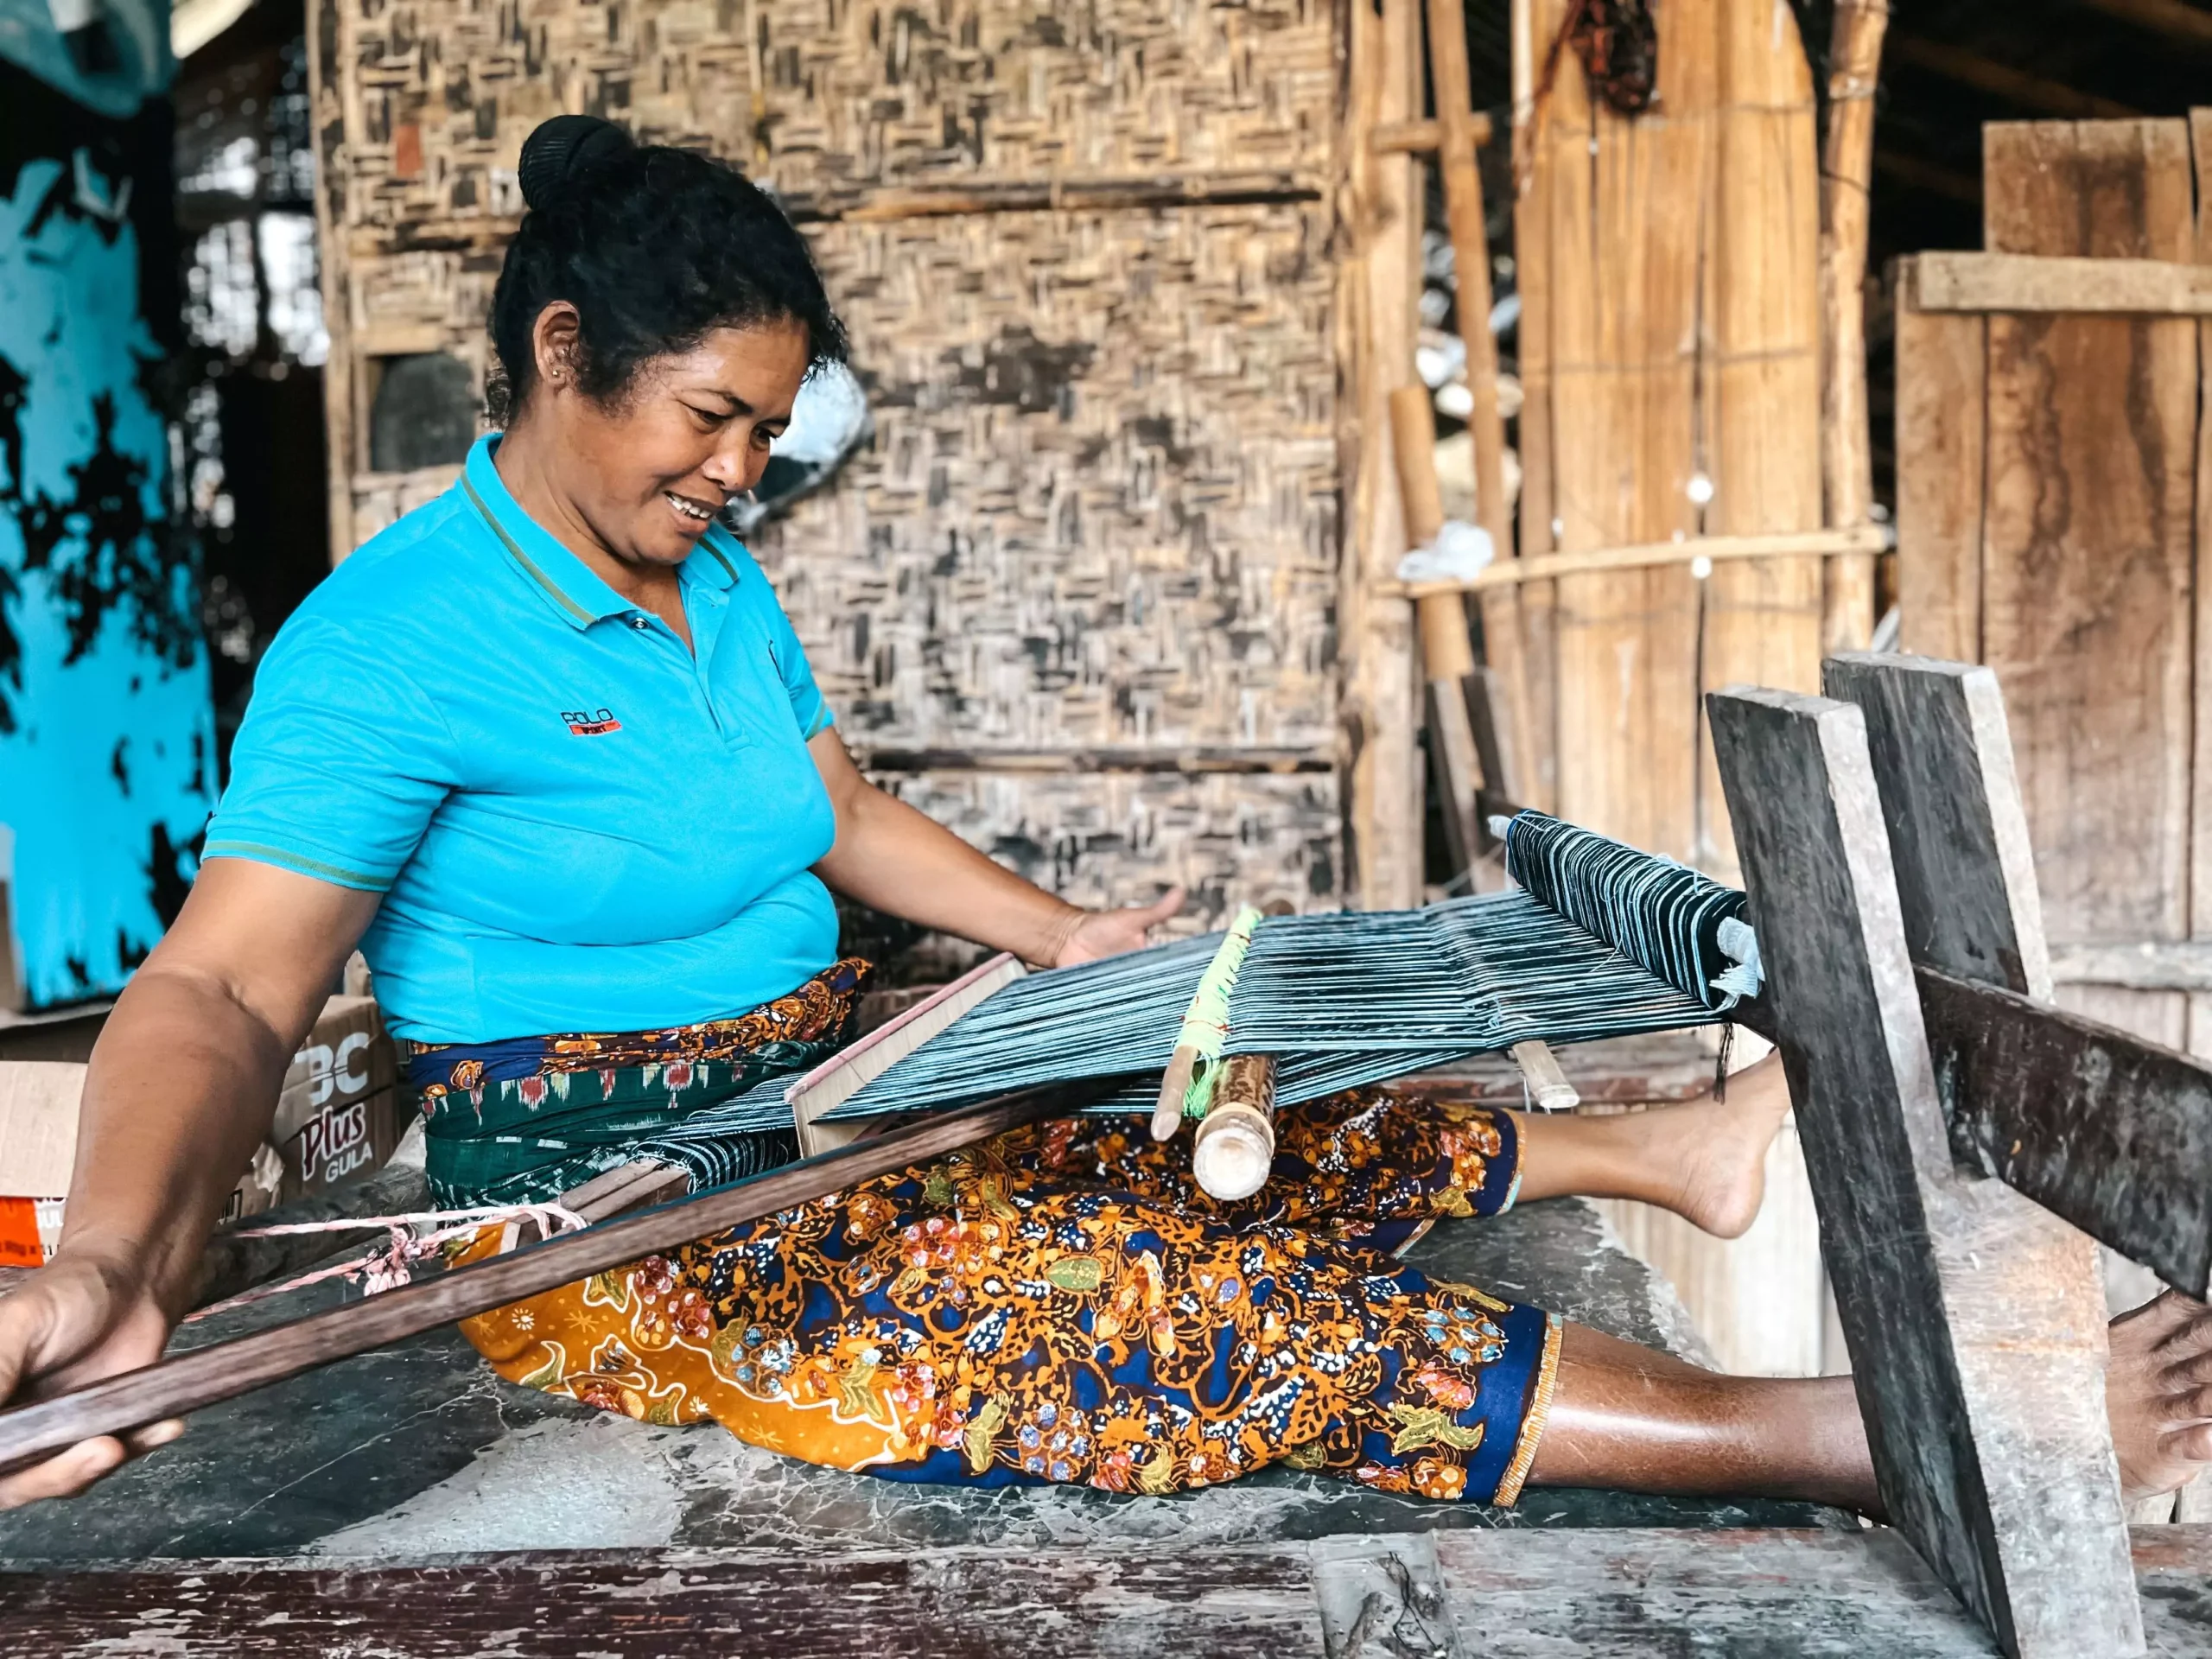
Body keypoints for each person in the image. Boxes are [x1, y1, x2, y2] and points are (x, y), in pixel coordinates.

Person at [5, 115, 2210, 1516]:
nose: (735, 472)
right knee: (1132, 1299)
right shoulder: (388, 647)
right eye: (703, 420)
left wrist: (1066, 955)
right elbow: (214, 983)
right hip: (615, 1210)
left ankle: (1683, 1155)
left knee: (1187, 1101)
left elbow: (836, 814)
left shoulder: (718, 585)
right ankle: (1865, 1442)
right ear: (559, 351)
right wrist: (114, 1254)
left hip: (831, 1076)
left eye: (768, 434)